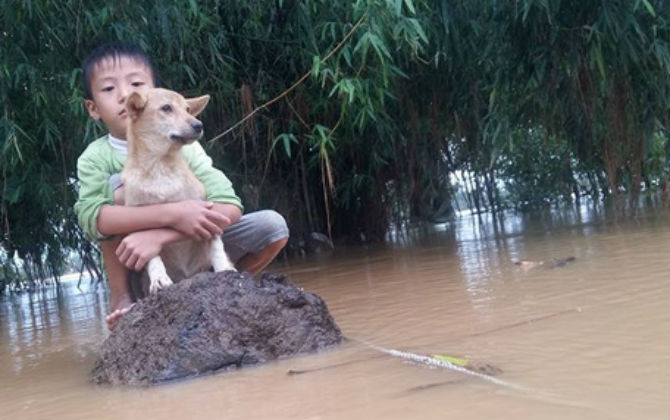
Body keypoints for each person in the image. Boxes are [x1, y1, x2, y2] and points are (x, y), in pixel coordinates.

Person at [74, 42, 289, 330]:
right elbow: (93, 220)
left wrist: (164, 234)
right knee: (115, 190)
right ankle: (123, 300)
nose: (125, 94)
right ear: (93, 108)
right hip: (143, 265)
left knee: (272, 226)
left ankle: (224, 287)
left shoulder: (187, 148)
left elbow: (230, 204)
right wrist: (175, 215)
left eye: (136, 84)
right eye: (109, 89)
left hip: (198, 248)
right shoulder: (95, 158)